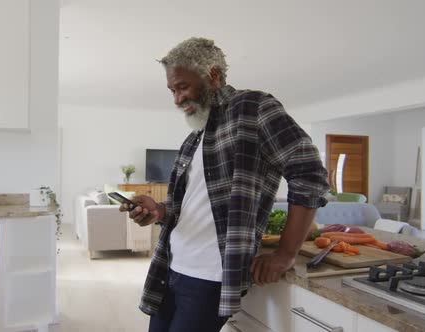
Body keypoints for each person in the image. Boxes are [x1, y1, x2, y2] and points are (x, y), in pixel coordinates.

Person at [118, 37, 329, 332]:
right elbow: (192, 207)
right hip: (171, 265)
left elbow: (310, 173)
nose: (177, 99)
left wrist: (285, 253)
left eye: (182, 87)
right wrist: (159, 211)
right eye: (172, 90)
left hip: (209, 276)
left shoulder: (253, 107)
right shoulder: (194, 138)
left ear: (212, 76)